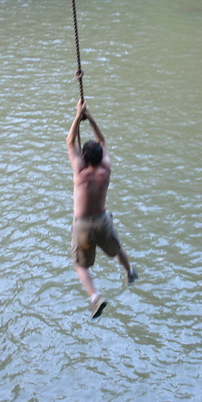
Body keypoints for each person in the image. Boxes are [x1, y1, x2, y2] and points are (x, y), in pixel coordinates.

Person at [67, 99, 136, 317]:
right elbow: (102, 140)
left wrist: (79, 116)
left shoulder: (80, 172)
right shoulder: (106, 168)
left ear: (85, 158)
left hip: (83, 225)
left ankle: (95, 297)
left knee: (80, 266)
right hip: (103, 220)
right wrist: (91, 117)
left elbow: (69, 142)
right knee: (116, 249)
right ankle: (130, 271)